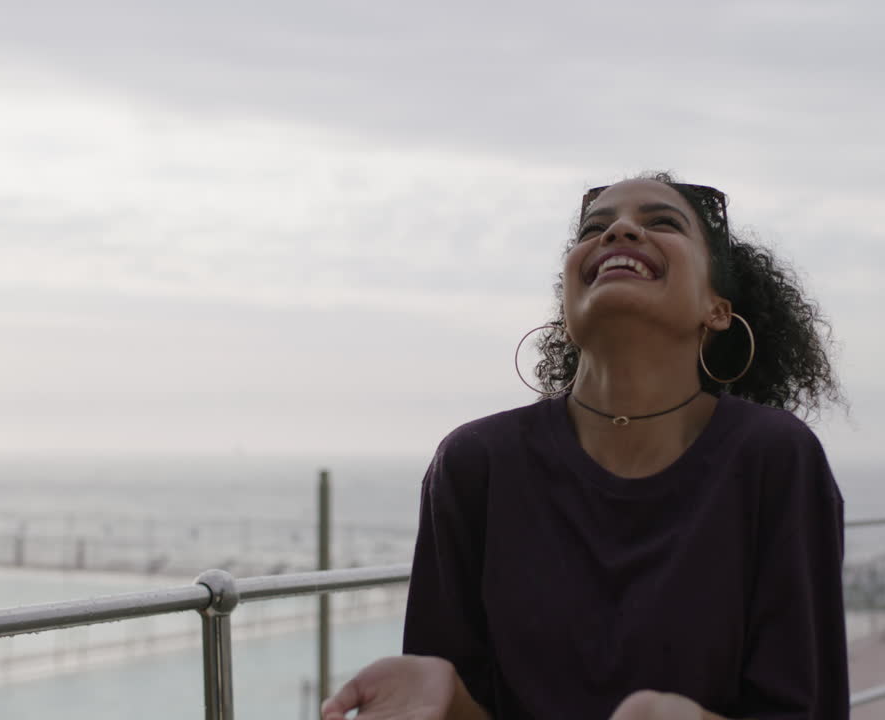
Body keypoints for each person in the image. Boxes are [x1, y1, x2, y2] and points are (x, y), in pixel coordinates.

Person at [322, 172, 849, 720]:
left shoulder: (774, 458)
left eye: (662, 222)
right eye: (594, 229)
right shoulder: (475, 464)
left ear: (716, 308)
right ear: (567, 307)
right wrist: (453, 703)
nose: (619, 231)